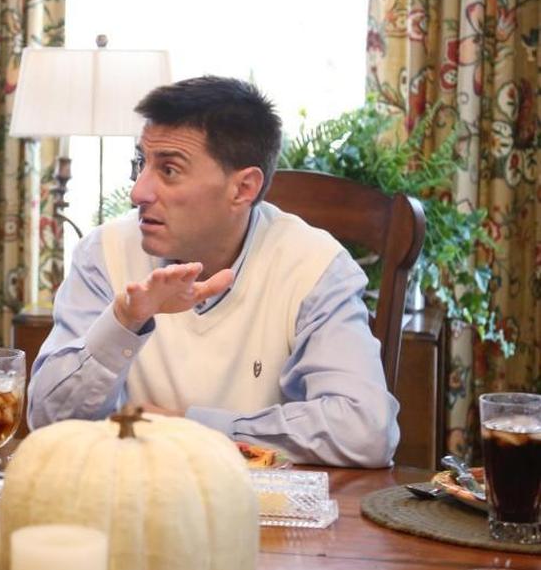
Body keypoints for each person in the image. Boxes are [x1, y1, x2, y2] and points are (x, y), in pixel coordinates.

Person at [27, 76, 399, 467]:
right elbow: (49, 423)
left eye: (168, 170)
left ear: (242, 189)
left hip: (266, 515)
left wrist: (192, 428)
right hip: (129, 502)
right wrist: (124, 321)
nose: (139, 191)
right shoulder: (104, 253)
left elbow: (365, 430)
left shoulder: (314, 267)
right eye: (141, 164)